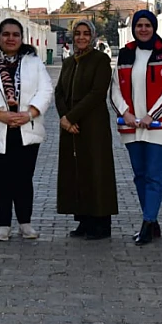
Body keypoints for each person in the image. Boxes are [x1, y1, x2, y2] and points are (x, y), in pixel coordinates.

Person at [0, 19, 53, 241]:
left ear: (21, 38)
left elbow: (45, 90)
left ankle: (25, 223)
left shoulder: (34, 63)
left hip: (27, 127)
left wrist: (29, 113)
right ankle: (3, 225)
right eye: (6, 34)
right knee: (0, 180)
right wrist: (0, 114)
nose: (10, 38)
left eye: (15, 34)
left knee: (24, 179)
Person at [110, 10, 162, 246]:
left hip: (159, 126)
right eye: (139, 25)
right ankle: (152, 219)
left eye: (147, 25)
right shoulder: (126, 53)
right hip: (131, 125)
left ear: (154, 27)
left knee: (154, 176)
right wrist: (125, 113)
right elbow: (114, 88)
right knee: (140, 176)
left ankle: (147, 223)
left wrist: (153, 115)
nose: (143, 29)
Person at [56, 19, 117, 240]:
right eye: (77, 33)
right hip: (71, 127)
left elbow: (97, 93)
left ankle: (100, 224)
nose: (81, 37)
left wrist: (71, 117)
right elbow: (59, 92)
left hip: (93, 126)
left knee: (96, 173)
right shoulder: (69, 62)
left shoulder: (100, 60)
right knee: (77, 172)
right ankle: (83, 220)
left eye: (85, 33)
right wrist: (64, 118)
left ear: (92, 36)